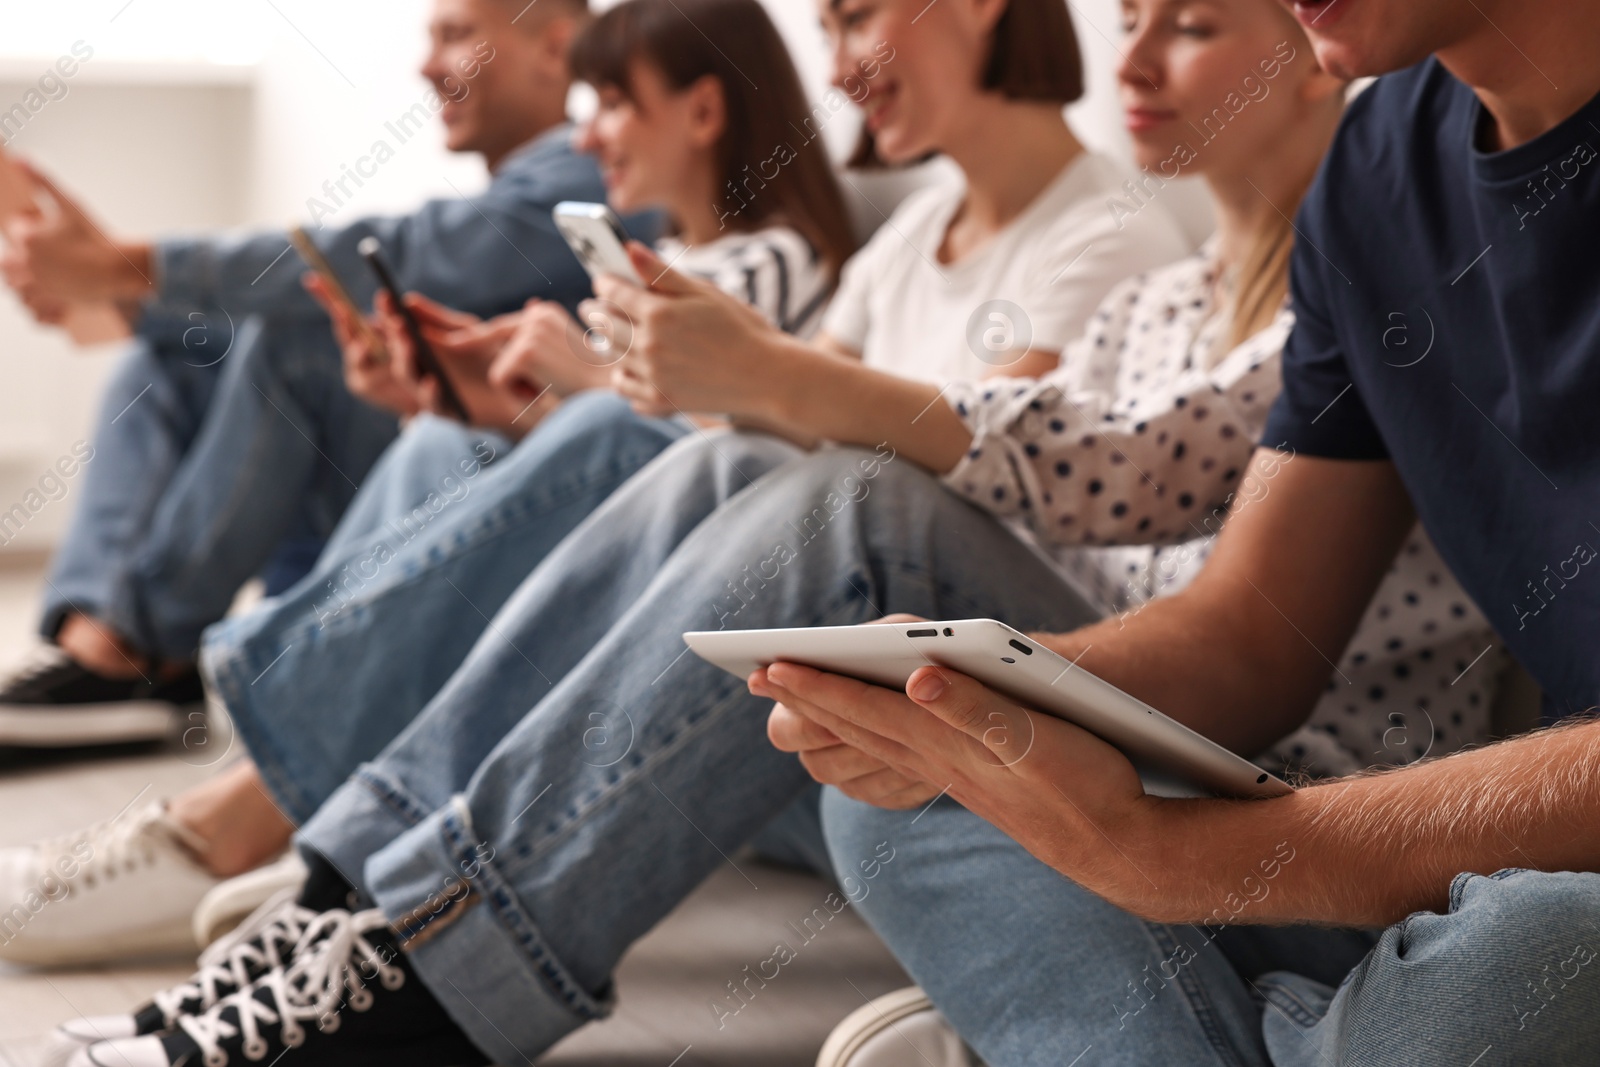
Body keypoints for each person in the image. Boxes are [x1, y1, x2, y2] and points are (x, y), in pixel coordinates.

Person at [41, 0, 1195, 1060]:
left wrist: (702, 383)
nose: (838, 63)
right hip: (819, 718)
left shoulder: (1103, 238)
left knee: (762, 469)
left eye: (855, 14)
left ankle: (362, 913)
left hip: (957, 705)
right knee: (675, 453)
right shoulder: (908, 241)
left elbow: (975, 480)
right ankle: (349, 897)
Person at [758, 0, 1600, 1063]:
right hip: (1452, 871)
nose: (1139, 60)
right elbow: (1250, 633)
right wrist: (973, 694)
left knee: (1533, 950)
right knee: (926, 788)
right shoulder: (1374, 168)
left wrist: (1192, 860)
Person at [0, 0, 856, 968]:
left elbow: (740, 448)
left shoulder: (753, 263)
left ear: (701, 113)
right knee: (432, 438)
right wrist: (507, 399)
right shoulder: (675, 261)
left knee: (557, 427)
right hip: (644, 571)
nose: (588, 128)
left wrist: (588, 388)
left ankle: (231, 812)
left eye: (613, 100)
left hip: (725, 652)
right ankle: (307, 789)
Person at [0, 0, 631, 754]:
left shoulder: (586, 170)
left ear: (553, 49)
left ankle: (140, 648)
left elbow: (402, 256)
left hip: (496, 495)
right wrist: (127, 306)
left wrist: (129, 268)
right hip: (417, 462)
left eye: (457, 36)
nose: (426, 65)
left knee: (299, 337)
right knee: (173, 355)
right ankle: (105, 643)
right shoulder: (527, 185)